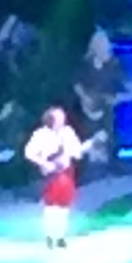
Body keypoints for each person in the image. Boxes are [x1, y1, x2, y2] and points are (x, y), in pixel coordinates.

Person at [72, 29, 132, 168]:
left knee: (109, 133)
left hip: (107, 105)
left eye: (106, 44)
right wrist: (85, 97)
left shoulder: (113, 64)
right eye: (102, 43)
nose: (105, 47)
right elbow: (76, 83)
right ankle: (86, 166)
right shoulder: (85, 64)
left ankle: (112, 164)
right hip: (89, 108)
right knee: (88, 136)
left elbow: (125, 81)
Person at [25, 105, 82, 249]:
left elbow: (77, 151)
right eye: (59, 117)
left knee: (64, 206)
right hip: (50, 174)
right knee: (51, 207)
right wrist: (44, 163)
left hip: (66, 172)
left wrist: (74, 152)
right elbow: (29, 153)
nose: (63, 119)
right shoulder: (40, 134)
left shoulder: (68, 132)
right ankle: (50, 236)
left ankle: (61, 236)